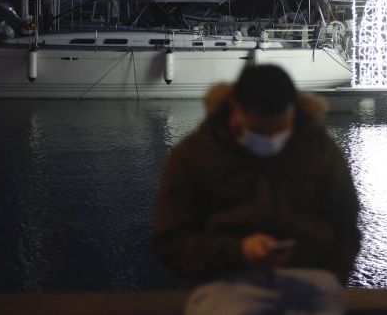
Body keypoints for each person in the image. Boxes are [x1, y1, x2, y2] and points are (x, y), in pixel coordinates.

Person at [154, 64, 361, 315]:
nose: (272, 138)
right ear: (235, 108)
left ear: (293, 111)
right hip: (227, 283)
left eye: (280, 129)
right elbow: (171, 240)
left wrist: (331, 275)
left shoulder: (321, 150)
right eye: (260, 131)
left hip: (311, 281)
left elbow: (346, 225)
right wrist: (238, 250)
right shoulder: (194, 155)